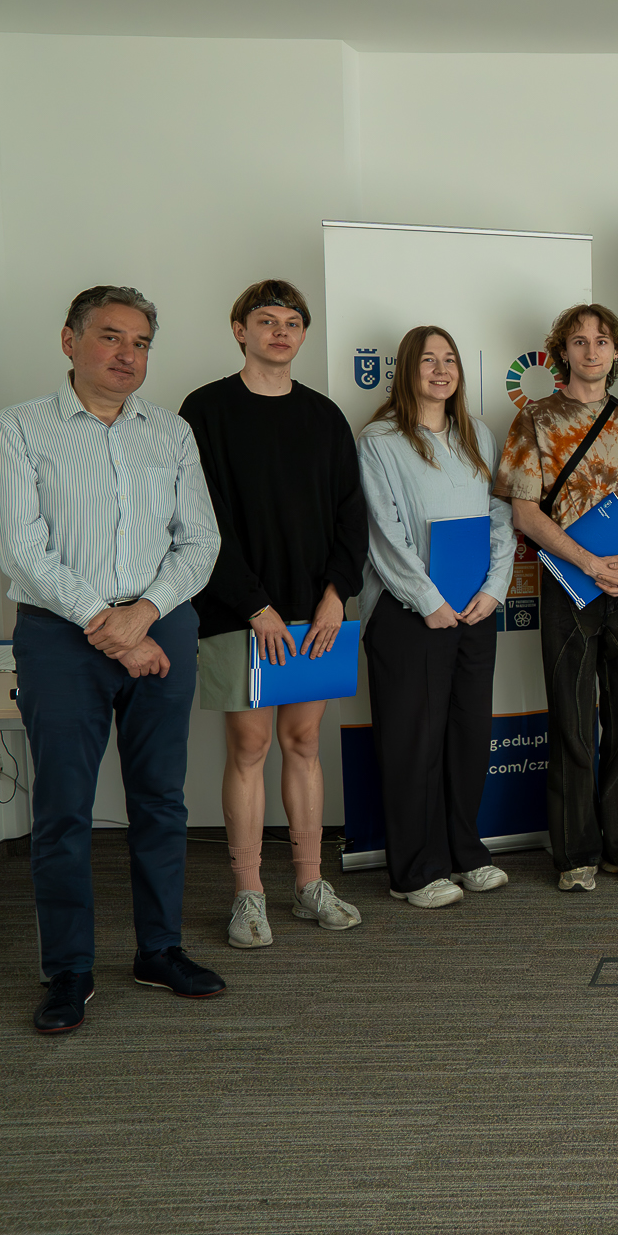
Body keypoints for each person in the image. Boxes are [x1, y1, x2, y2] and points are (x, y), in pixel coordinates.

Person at [0, 286, 226, 1033]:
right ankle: (68, 969)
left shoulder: (171, 432)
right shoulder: (18, 428)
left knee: (161, 799)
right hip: (60, 636)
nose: (128, 355)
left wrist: (143, 614)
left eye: (141, 343)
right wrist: (106, 622)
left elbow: (201, 541)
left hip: (162, 625)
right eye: (111, 337)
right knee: (63, 807)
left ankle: (159, 949)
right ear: (70, 341)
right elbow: (22, 547)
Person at [180, 279, 367, 949]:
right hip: (238, 610)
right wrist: (254, 604)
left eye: (292, 322)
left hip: (315, 614)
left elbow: (351, 513)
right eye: (266, 320)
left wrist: (336, 593)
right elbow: (200, 519)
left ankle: (310, 884)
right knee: (250, 747)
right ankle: (248, 892)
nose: (280, 332)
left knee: (304, 742)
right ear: (240, 330)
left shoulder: (324, 415)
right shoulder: (205, 409)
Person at [495, 303, 618, 893]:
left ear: (616, 352)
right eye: (579, 341)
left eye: (601, 341)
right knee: (572, 721)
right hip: (570, 583)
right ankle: (575, 854)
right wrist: (588, 562)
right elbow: (523, 511)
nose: (591, 350)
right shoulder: (536, 418)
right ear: (561, 352)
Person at [356, 326, 516, 909]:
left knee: (469, 735)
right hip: (408, 611)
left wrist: (494, 590)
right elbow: (383, 530)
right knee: (412, 742)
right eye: (428, 360)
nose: (441, 370)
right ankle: (415, 871)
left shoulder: (479, 435)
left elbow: (500, 516)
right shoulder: (380, 440)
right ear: (407, 369)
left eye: (449, 359)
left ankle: (464, 852)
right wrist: (427, 601)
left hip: (475, 607)